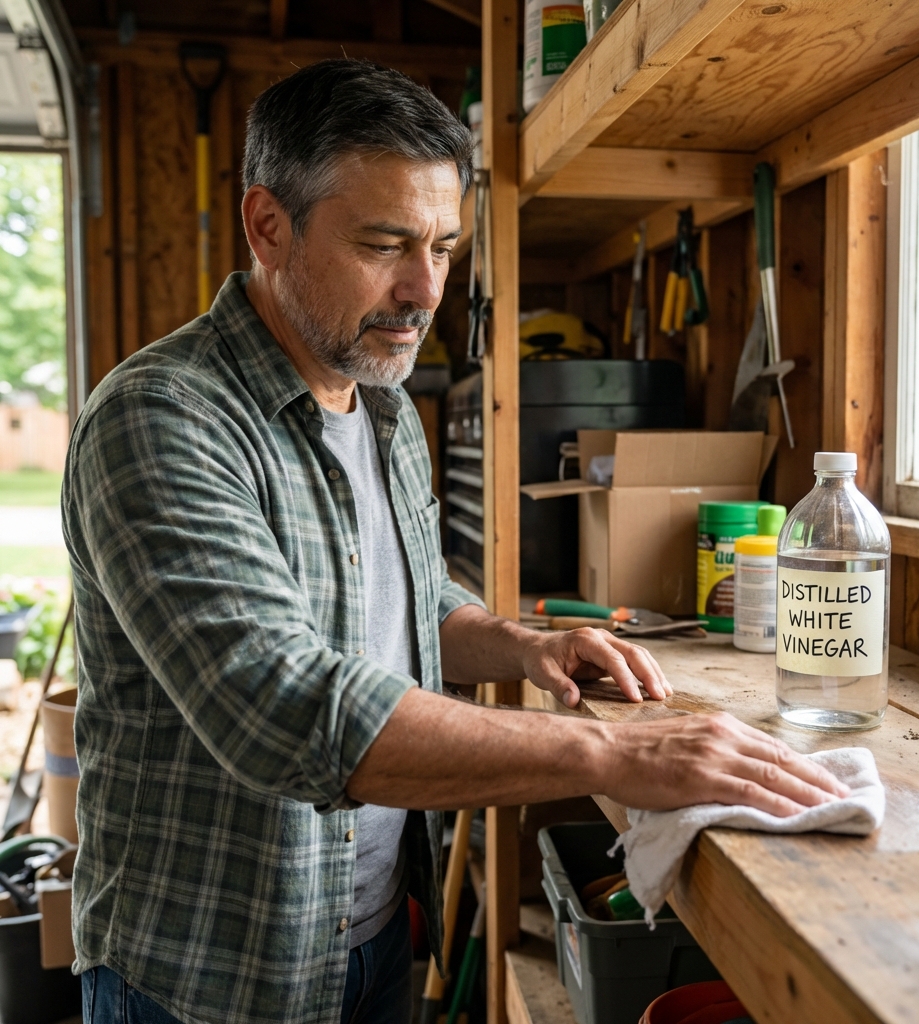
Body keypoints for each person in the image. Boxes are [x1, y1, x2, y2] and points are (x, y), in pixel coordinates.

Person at [63, 59, 848, 1024]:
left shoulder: (384, 407)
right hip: (210, 971)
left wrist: (523, 644)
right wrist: (609, 760)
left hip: (378, 930)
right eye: (386, 242)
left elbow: (409, 595)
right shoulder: (160, 419)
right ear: (267, 225)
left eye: (442, 245)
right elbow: (282, 706)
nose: (425, 289)